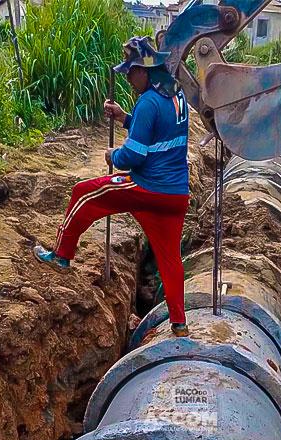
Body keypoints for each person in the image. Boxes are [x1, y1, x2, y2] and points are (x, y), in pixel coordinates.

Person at [33, 36, 190, 337]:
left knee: (84, 193)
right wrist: (124, 118)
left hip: (147, 187)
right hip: (175, 195)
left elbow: (133, 156)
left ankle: (61, 256)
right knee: (169, 258)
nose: (129, 79)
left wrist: (112, 155)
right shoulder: (175, 96)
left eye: (130, 72)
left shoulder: (148, 102)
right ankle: (179, 323)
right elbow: (158, 132)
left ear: (144, 69)